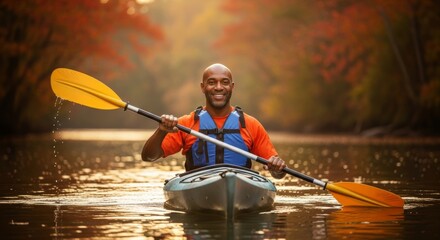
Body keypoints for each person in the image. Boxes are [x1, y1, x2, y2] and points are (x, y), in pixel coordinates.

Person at [142, 63, 287, 179]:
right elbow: (148, 157)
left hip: (240, 185)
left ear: (232, 87)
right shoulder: (185, 123)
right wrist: (161, 131)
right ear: (203, 87)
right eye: (211, 82)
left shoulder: (251, 125)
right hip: (197, 184)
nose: (218, 87)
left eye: (224, 82)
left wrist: (277, 169)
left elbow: (277, 174)